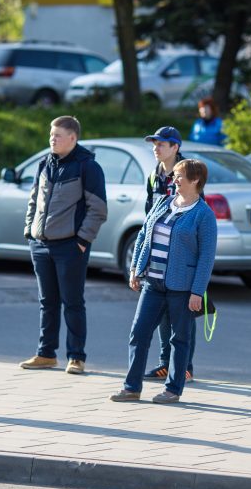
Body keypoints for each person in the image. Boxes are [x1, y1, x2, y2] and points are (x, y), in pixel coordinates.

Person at [110, 159, 217, 404]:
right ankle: (131, 387)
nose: (174, 180)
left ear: (195, 181)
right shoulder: (163, 202)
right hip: (153, 283)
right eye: (175, 176)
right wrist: (135, 269)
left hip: (182, 288)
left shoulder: (204, 215)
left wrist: (197, 292)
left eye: (180, 176)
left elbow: (206, 258)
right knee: (139, 333)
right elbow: (142, 237)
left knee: (179, 339)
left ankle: (173, 389)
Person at [19, 116, 108, 375]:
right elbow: (34, 199)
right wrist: (30, 232)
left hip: (70, 247)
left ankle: (76, 357)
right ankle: (46, 354)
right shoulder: (44, 163)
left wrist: (81, 241)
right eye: (51, 134)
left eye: (58, 135)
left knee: (72, 302)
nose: (52, 139)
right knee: (47, 301)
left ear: (73, 138)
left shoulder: (88, 167)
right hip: (41, 245)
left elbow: (98, 209)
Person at [140, 126, 198, 383]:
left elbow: (196, 213)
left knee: (182, 311)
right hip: (158, 253)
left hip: (181, 254)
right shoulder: (154, 175)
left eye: (162, 144)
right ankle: (165, 362)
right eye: (154, 144)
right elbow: (148, 215)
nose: (156, 148)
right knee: (162, 310)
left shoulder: (188, 174)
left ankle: (185, 366)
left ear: (175, 147)